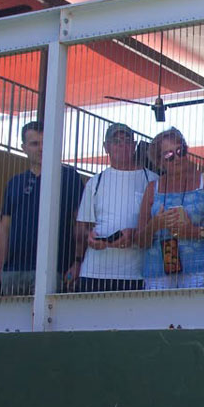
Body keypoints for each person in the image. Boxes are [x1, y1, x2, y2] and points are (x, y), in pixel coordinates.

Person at [0, 119, 86, 296]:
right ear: (24, 148)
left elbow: (80, 223)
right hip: (13, 273)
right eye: (34, 143)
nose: (41, 148)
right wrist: (2, 269)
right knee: (11, 324)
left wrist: (77, 262)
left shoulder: (68, 177)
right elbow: (4, 228)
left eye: (45, 142)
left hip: (55, 270)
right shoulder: (14, 183)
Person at [135, 127, 204, 290]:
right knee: (159, 316)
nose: (177, 158)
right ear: (159, 162)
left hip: (201, 268)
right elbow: (140, 241)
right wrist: (156, 224)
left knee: (197, 315)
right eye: (169, 155)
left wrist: (194, 232)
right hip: (158, 270)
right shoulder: (152, 188)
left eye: (180, 151)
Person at [70, 122, 156, 293]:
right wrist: (90, 239)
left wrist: (136, 234)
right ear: (106, 147)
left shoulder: (152, 180)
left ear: (134, 145)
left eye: (127, 140)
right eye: (116, 141)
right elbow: (81, 228)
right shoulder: (95, 182)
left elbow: (160, 224)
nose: (122, 145)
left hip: (137, 274)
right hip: (94, 272)